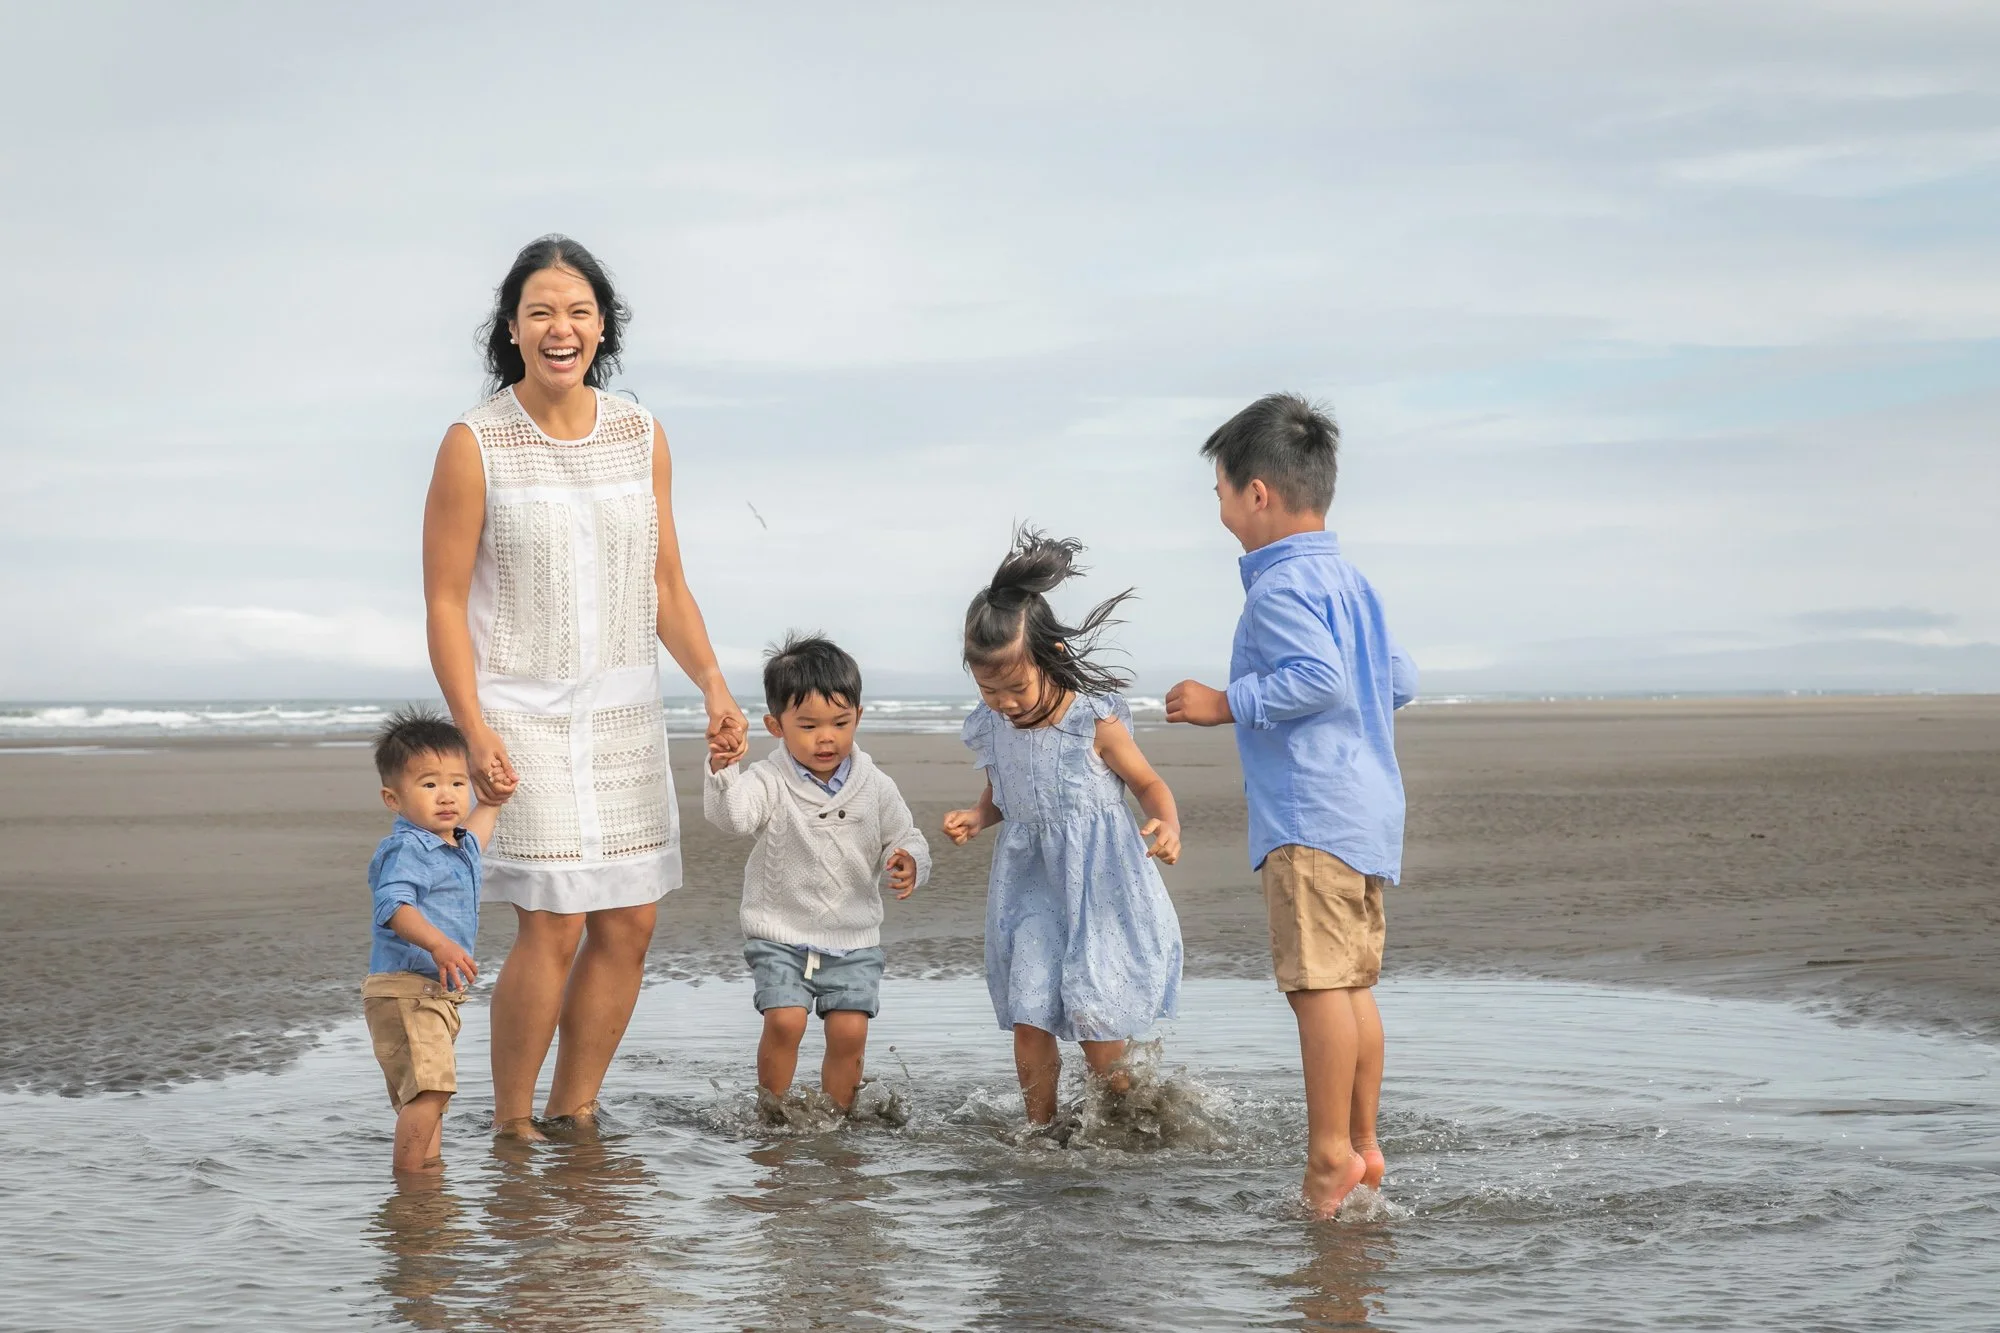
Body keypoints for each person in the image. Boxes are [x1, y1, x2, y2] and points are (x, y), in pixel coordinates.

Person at [422, 235, 749, 1140]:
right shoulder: (474, 442)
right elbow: (445, 603)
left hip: (624, 714)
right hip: (520, 717)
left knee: (630, 923)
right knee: (555, 922)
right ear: (514, 330)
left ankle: (577, 1111)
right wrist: (472, 726)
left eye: (578, 311)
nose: (560, 328)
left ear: (602, 325)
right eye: (540, 312)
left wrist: (715, 687)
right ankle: (514, 1124)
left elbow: (665, 583)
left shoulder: (642, 434)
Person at [1165, 393, 1417, 1218]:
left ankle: (1326, 1159)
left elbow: (1320, 681)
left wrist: (1224, 700)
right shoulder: (1353, 582)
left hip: (1311, 816)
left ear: (1259, 493)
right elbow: (1396, 678)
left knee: (1315, 989)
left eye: (1222, 490)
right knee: (1350, 987)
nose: (1220, 505)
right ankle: (1363, 1145)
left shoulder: (1276, 591)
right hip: (1368, 811)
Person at [942, 531, 1184, 1127]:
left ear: (1047, 656)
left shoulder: (1091, 721)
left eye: (1015, 686)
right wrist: (978, 816)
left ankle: (1129, 1125)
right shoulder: (994, 725)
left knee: (1098, 1025)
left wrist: (1167, 821)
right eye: (987, 689)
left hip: (1098, 888)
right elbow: (1005, 791)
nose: (1003, 702)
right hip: (1030, 886)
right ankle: (1040, 1129)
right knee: (1030, 1012)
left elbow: (1150, 785)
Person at [704, 634, 930, 1118]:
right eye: (807, 726)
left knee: (849, 1031)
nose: (825, 737)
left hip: (854, 936)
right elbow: (734, 818)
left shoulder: (874, 785)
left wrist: (909, 859)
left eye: (840, 723)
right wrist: (724, 771)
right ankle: (773, 1111)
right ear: (776, 726)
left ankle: (836, 1119)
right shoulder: (769, 781)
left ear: (858, 718)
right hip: (780, 933)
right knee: (785, 1021)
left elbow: (905, 834)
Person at [363, 706, 517, 1174]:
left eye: (455, 782)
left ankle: (430, 1183)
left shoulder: (456, 843)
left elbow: (478, 831)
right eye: (428, 785)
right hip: (405, 987)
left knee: (430, 1092)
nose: (446, 795)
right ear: (394, 798)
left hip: (437, 992)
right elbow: (393, 907)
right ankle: (410, 1185)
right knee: (430, 1090)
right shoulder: (407, 847)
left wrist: (492, 799)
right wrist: (439, 943)